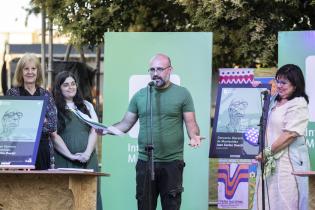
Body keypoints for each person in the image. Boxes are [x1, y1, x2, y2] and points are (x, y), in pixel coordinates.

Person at [104, 53, 203, 210]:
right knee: (144, 206)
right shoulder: (140, 96)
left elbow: (191, 124)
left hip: (172, 163)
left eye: (159, 69)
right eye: (152, 69)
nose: (155, 73)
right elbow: (125, 124)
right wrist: (106, 129)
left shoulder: (182, 94)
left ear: (169, 70)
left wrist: (194, 136)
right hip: (145, 162)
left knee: (171, 206)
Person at [252, 64, 310, 210]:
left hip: (287, 164)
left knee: (285, 201)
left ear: (295, 85)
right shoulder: (273, 101)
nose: (279, 85)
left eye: (283, 82)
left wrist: (267, 152)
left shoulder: (298, 103)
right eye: (277, 81)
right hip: (269, 162)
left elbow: (290, 134)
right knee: (265, 200)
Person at [51, 71, 102, 210]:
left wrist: (86, 154)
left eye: (73, 84)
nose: (70, 87)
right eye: (66, 85)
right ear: (59, 88)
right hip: (64, 160)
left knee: (89, 197)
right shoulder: (54, 108)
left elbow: (94, 130)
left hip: (88, 160)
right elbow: (54, 135)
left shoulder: (87, 106)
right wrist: (71, 156)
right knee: (66, 199)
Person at [6, 53, 57, 169]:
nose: (30, 72)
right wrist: (41, 120)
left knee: (44, 185)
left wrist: (25, 121)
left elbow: (52, 125)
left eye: (33, 68)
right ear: (20, 72)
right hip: (19, 150)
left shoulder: (46, 95)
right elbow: (12, 125)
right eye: (26, 69)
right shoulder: (13, 94)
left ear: (38, 71)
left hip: (43, 149)